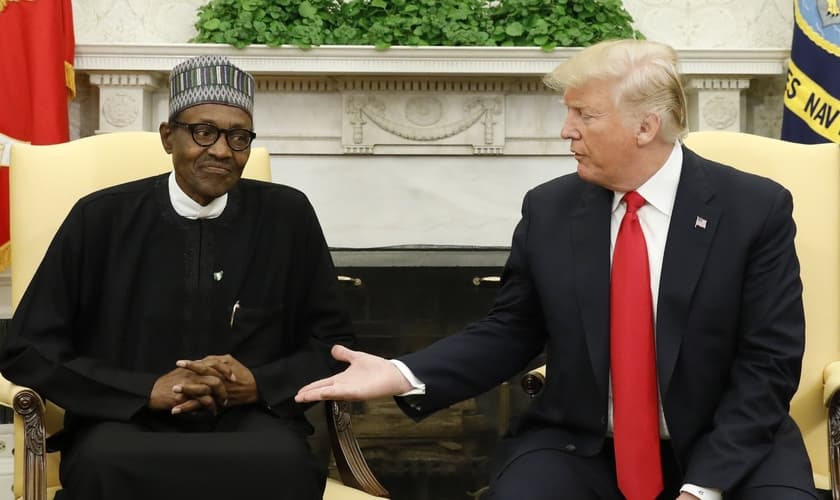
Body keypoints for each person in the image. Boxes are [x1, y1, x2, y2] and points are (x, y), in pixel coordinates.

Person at [296, 39, 818, 500]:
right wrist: (404, 373)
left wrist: (702, 487)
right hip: (585, 443)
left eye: (584, 115)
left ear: (645, 126)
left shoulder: (753, 209)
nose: (567, 131)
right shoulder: (551, 208)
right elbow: (511, 331)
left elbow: (768, 362)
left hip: (729, 439)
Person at [0, 55, 354, 500]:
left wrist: (257, 384)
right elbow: (28, 349)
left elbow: (334, 343)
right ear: (169, 137)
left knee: (285, 465)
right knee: (104, 466)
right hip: (123, 420)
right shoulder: (101, 217)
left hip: (250, 421)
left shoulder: (287, 215)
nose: (222, 150)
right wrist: (144, 389)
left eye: (238, 137)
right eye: (203, 132)